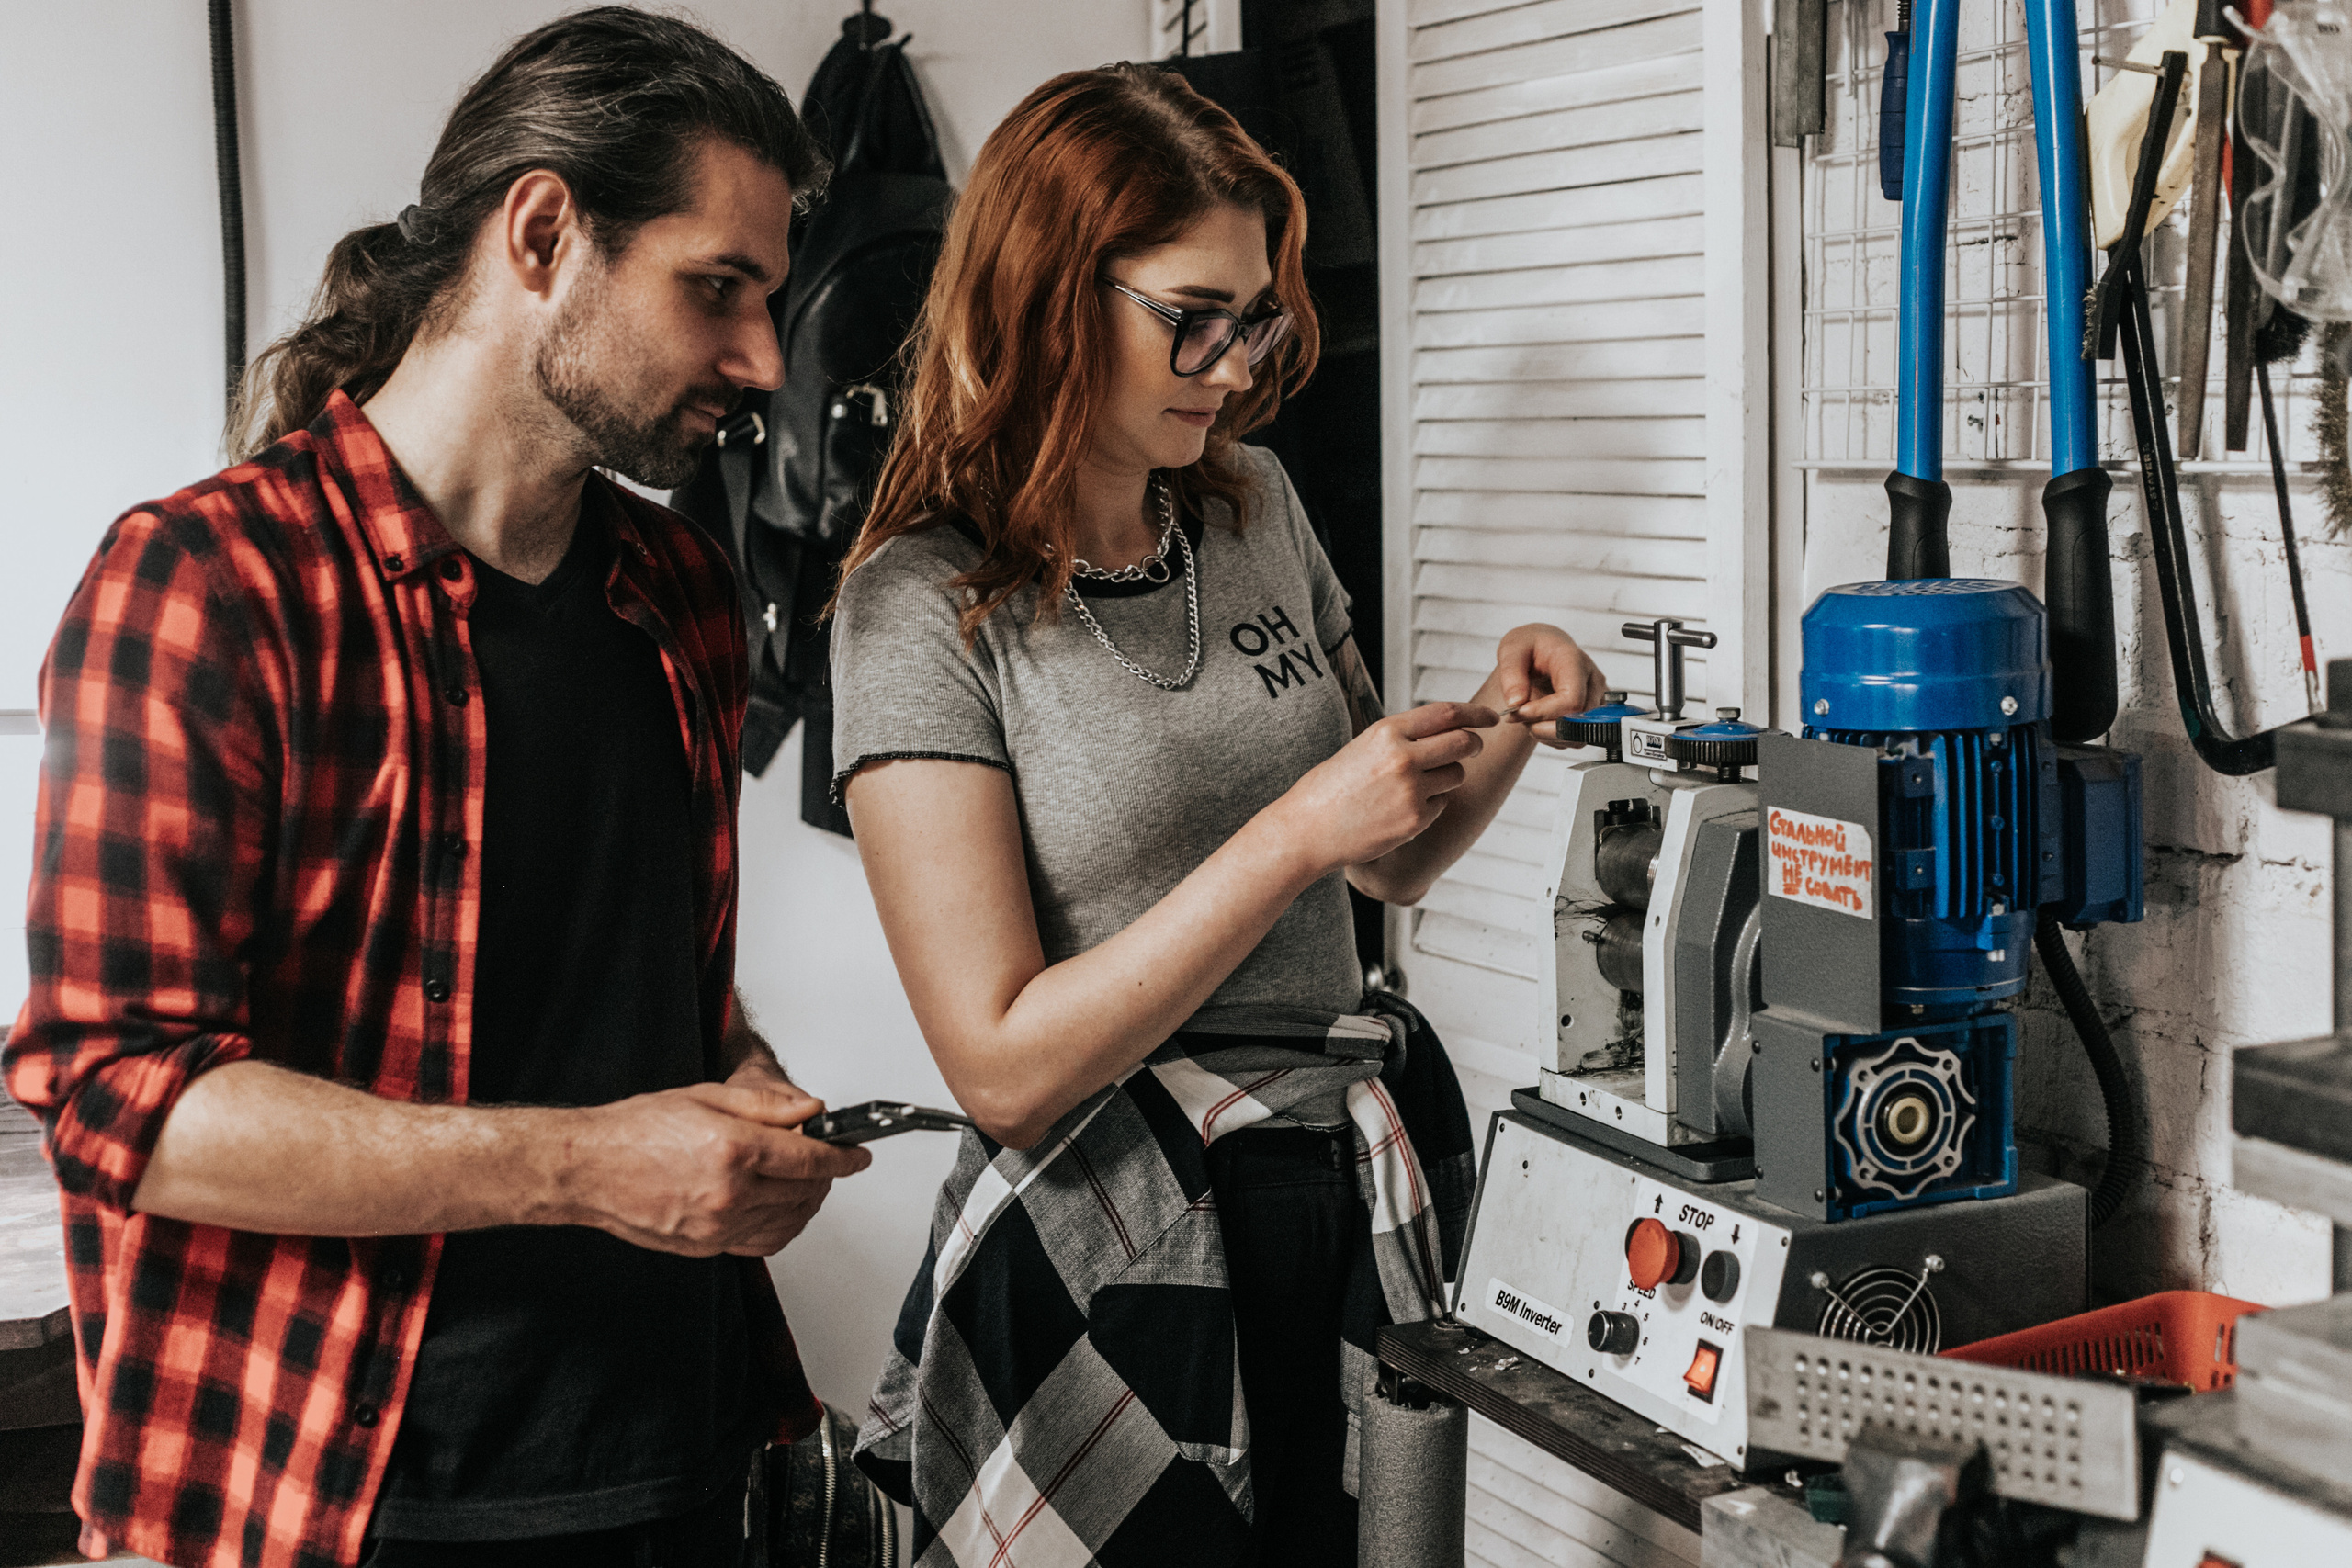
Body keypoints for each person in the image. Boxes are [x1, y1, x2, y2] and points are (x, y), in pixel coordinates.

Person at [0, 11, 872, 1567]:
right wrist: (591, 1163)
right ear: (544, 231)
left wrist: (738, 1083)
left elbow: (638, 987)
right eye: (717, 289)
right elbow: (121, 1100)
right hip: (342, 1494)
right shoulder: (203, 584)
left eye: (771, 300)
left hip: (683, 1454)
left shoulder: (678, 587)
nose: (757, 360)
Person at [828, 64, 1606, 1567]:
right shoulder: (917, 608)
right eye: (1195, 315)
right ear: (1051, 293)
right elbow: (1000, 1066)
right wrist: (1300, 828)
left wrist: (1500, 728)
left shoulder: (1253, 508)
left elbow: (1383, 862)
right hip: (1107, 1227)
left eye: (1255, 316)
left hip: (1331, 1191)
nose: (1237, 364)